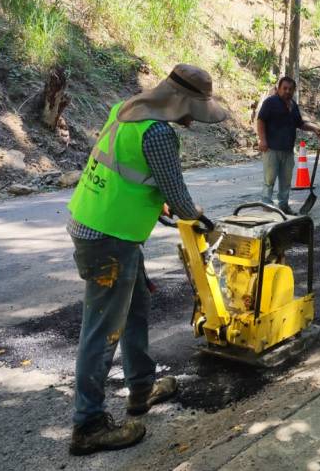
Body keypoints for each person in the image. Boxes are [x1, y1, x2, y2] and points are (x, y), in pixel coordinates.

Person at [65, 64, 228, 456]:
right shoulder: (158, 134)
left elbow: (126, 172)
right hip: (108, 238)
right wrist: (197, 216)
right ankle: (88, 425)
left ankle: (141, 387)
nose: (192, 120)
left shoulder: (128, 110)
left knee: (137, 306)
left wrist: (160, 206)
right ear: (179, 103)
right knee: (102, 329)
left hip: (99, 223)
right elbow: (178, 194)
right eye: (192, 111)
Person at [256, 76, 320, 214]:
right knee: (269, 179)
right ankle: (266, 206)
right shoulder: (270, 102)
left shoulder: (293, 105)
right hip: (271, 149)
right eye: (284, 88)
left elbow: (300, 124)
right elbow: (261, 120)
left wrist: (314, 128)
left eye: (290, 89)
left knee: (286, 181)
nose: (287, 91)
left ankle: (284, 206)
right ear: (278, 89)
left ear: (294, 90)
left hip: (288, 150)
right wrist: (262, 140)